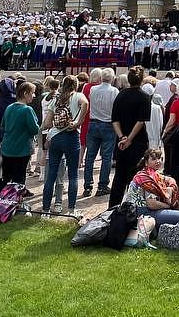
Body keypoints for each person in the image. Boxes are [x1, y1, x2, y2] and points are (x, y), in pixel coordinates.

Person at [42, 75, 86, 214]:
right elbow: (85, 103)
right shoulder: (78, 96)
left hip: (55, 137)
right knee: (73, 175)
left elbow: (47, 123)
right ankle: (71, 209)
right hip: (71, 136)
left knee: (51, 175)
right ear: (76, 85)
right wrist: (78, 122)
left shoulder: (56, 99)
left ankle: (46, 210)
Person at [109, 68, 151, 208]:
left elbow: (115, 120)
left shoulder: (120, 95)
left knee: (119, 176)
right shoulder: (144, 97)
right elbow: (140, 121)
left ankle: (113, 208)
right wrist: (129, 139)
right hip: (137, 141)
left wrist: (122, 137)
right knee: (136, 177)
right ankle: (134, 208)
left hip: (122, 140)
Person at [124, 148, 179, 231]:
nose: (158, 161)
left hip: (144, 211)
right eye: (153, 159)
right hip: (139, 213)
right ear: (146, 162)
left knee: (177, 215)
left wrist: (170, 187)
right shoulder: (146, 178)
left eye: (159, 158)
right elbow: (151, 204)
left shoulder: (152, 174)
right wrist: (168, 206)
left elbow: (168, 179)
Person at [82, 68, 119, 197]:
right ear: (112, 78)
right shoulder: (114, 91)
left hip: (94, 122)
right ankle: (102, 185)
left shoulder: (93, 89)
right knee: (106, 157)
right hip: (108, 124)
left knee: (90, 156)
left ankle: (88, 185)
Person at [0, 81, 41, 190]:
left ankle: (5, 200)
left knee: (7, 177)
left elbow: (3, 126)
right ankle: (17, 201)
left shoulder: (9, 107)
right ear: (26, 93)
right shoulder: (27, 110)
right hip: (21, 149)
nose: (34, 95)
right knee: (19, 178)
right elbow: (34, 129)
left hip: (7, 148)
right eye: (32, 93)